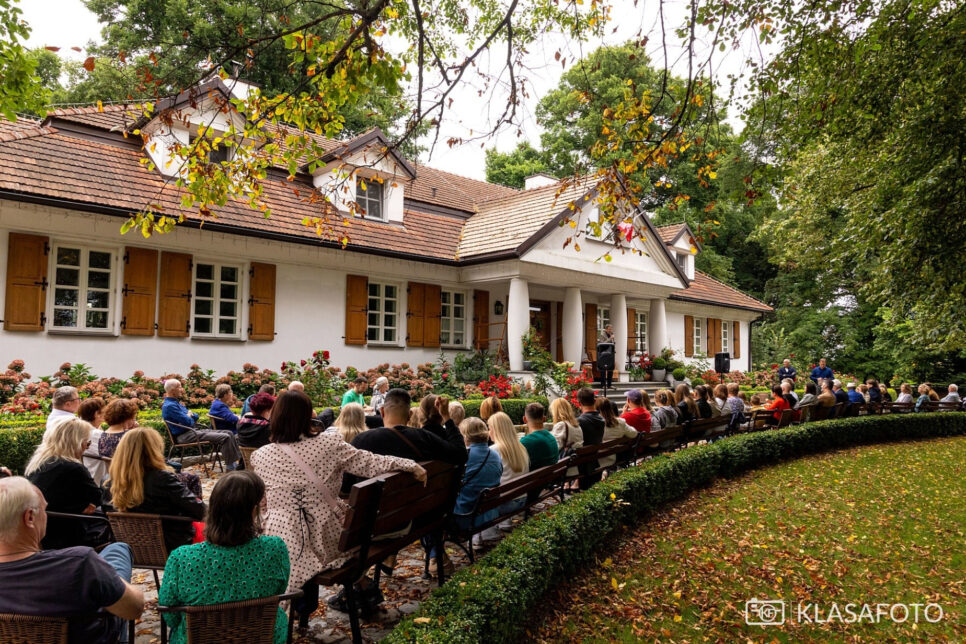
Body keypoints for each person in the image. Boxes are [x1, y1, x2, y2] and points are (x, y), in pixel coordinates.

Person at [252, 390, 425, 622]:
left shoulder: (261, 455)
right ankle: (354, 589)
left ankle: (290, 612)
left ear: (275, 417)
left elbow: (263, 504)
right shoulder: (328, 443)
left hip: (280, 537)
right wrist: (408, 464)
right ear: (307, 416)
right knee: (309, 546)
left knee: (284, 550)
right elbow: (370, 463)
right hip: (330, 537)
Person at [0, 477, 144, 644]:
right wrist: (104, 575)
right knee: (118, 551)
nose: (46, 516)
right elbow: (135, 608)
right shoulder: (79, 564)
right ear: (30, 517)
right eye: (44, 510)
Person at [158, 471, 290, 644]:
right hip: (264, 637)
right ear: (252, 511)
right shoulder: (275, 549)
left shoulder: (181, 558)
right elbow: (278, 590)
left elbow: (170, 614)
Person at [108, 428, 206, 553]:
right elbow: (200, 510)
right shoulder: (162, 478)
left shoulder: (109, 482)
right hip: (175, 545)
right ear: (153, 450)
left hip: (129, 549)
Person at [25, 419, 105, 549]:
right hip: (68, 532)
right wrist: (82, 507)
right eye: (87, 443)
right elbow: (99, 499)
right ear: (77, 443)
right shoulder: (73, 468)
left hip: (41, 530)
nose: (86, 447)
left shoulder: (39, 463)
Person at [161, 379, 242, 471]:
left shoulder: (175, 403)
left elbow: (195, 416)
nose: (182, 389)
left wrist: (189, 416)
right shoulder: (170, 406)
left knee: (229, 433)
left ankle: (236, 463)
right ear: (172, 390)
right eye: (179, 387)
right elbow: (189, 421)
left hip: (192, 431)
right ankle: (230, 468)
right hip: (184, 435)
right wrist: (189, 416)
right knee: (225, 437)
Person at [452, 418, 503, 532]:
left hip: (466, 516)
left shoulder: (465, 456)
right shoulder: (495, 455)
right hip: (490, 512)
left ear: (465, 436)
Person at [486, 412, 530, 536]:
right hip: (521, 499)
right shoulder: (521, 447)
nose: (489, 432)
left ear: (496, 430)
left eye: (490, 428)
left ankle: (483, 536)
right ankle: (504, 523)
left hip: (504, 504)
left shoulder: (493, 450)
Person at [575, 388, 604, 490]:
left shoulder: (579, 422)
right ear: (595, 401)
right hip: (595, 463)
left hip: (583, 467)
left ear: (579, 403)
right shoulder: (601, 419)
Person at [78, 397, 109, 484]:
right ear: (96, 414)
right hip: (97, 480)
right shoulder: (96, 434)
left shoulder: (79, 430)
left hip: (84, 476)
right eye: (104, 411)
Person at [597, 399, 636, 468]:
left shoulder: (595, 424)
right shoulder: (620, 422)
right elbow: (634, 433)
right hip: (616, 457)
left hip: (599, 460)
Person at [519, 402, 558, 470]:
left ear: (524, 419)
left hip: (536, 476)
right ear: (544, 419)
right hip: (553, 475)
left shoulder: (525, 442)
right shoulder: (551, 438)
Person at [549, 398, 583, 467]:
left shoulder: (561, 425)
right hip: (575, 465)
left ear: (556, 411)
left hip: (564, 466)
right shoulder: (576, 425)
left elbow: (554, 448)